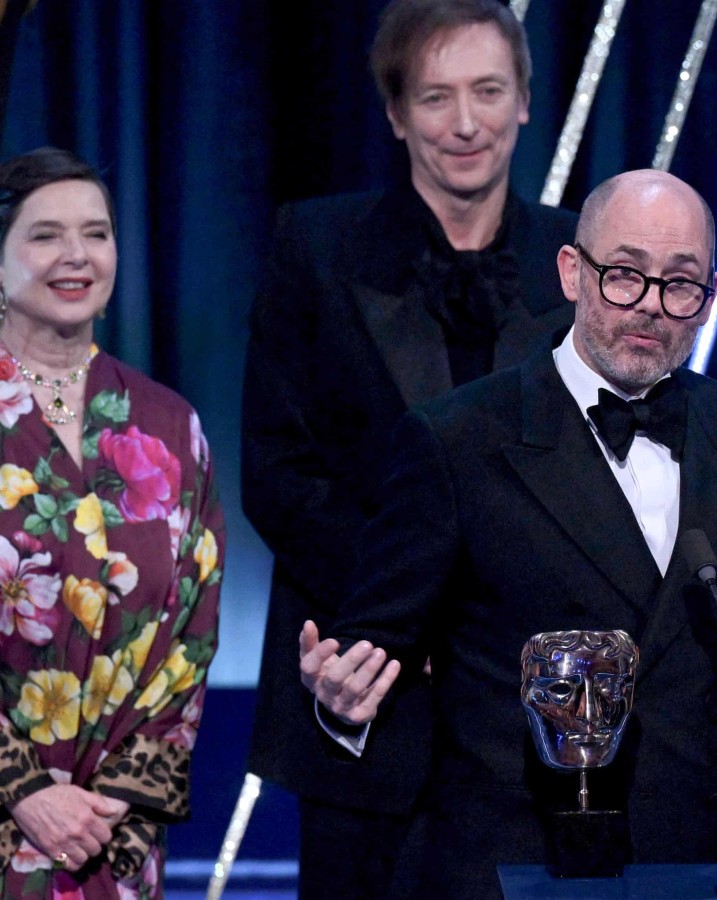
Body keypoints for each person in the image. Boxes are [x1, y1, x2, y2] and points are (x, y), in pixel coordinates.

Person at [299, 169, 717, 899]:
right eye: (625, 275)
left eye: (680, 284)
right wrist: (342, 703)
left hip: (696, 864)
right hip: (514, 865)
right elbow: (379, 648)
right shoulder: (458, 439)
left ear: (711, 296)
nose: (651, 307)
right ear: (572, 271)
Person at [241, 1, 576, 893]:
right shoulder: (313, 245)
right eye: (435, 97)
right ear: (395, 114)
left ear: (526, 102)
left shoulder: (575, 258)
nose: (465, 124)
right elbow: (277, 472)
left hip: (526, 717)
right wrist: (404, 613)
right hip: (364, 694)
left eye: (487, 91)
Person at [0, 147, 223, 898]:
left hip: (113, 832)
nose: (76, 256)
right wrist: (24, 791)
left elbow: (193, 622)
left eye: (97, 233)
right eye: (46, 235)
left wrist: (118, 793)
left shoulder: (169, 424)